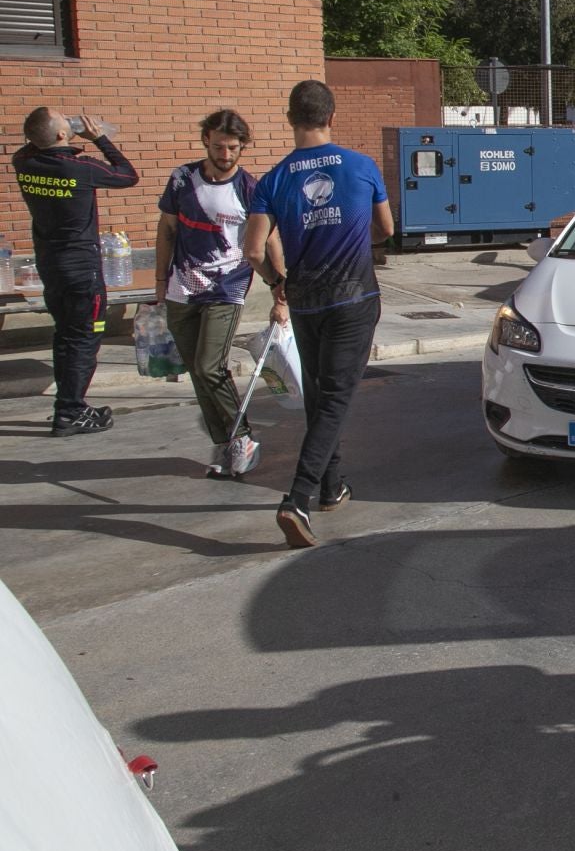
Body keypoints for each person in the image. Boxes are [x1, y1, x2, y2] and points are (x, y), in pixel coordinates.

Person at [242, 80, 393, 550]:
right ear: (332, 116)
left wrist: (276, 281)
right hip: (353, 297)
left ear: (291, 119)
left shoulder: (272, 179)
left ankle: (331, 487)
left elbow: (252, 249)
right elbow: (385, 230)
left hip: (305, 300)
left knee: (318, 396)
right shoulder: (361, 166)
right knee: (335, 400)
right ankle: (298, 499)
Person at [154, 109, 288, 478]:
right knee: (197, 372)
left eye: (232, 148)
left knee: (208, 364)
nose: (225, 155)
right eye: (218, 147)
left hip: (227, 286)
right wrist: (160, 283)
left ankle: (242, 436)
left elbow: (271, 239)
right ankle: (224, 441)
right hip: (182, 285)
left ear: (243, 146)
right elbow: (165, 231)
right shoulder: (182, 179)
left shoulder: (250, 188)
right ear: (205, 143)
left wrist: (281, 291)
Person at [11, 109, 140, 436]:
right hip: (82, 272)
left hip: (52, 268)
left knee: (66, 336)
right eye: (64, 122)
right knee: (83, 339)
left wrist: (59, 134)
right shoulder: (79, 167)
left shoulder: (25, 163)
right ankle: (70, 411)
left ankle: (67, 405)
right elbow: (127, 175)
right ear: (59, 136)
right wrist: (97, 137)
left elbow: (29, 144)